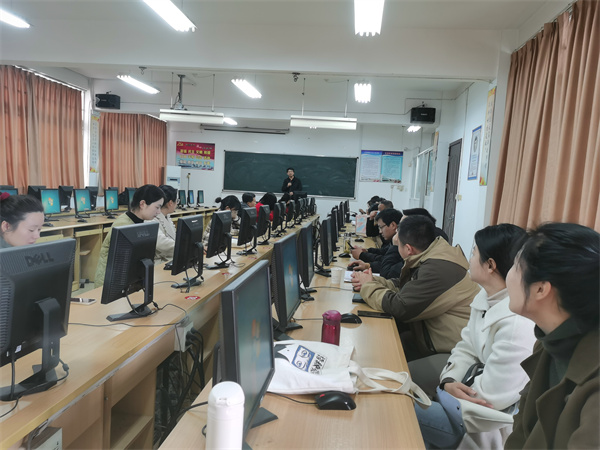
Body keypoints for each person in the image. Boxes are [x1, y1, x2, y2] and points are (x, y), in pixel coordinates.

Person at [413, 224, 535, 449]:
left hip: (483, 423)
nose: (469, 259)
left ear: (490, 265)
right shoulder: (485, 297)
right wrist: (450, 380)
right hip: (461, 402)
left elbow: (490, 397)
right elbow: (466, 346)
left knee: (401, 409)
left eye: (473, 252)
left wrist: (449, 389)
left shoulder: (518, 324)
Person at [504, 223, 599, 449]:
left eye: (516, 266)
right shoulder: (548, 343)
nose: (508, 275)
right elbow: (522, 430)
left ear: (541, 289)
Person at [351, 215, 480, 360]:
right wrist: (372, 280)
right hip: (431, 336)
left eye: (398, 244)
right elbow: (406, 287)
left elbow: (401, 307)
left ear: (408, 249)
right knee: (383, 342)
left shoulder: (437, 269)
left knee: (387, 360)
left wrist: (368, 286)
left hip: (455, 352)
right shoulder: (434, 255)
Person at [95, 184, 165, 288]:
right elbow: (122, 264)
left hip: (126, 281)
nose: (159, 212)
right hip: (110, 284)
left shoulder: (138, 222)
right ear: (142, 204)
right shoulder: (124, 225)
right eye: (157, 207)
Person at [349, 208, 404, 278]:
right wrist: (367, 251)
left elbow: (387, 265)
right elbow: (384, 252)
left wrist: (363, 256)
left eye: (381, 227)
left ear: (393, 225)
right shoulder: (393, 241)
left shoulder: (402, 244)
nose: (380, 231)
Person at [150, 185, 178, 263]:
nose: (177, 204)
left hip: (170, 256)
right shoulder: (151, 219)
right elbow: (162, 243)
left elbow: (174, 237)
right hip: (159, 261)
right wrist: (184, 247)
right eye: (177, 201)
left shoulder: (167, 216)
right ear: (170, 203)